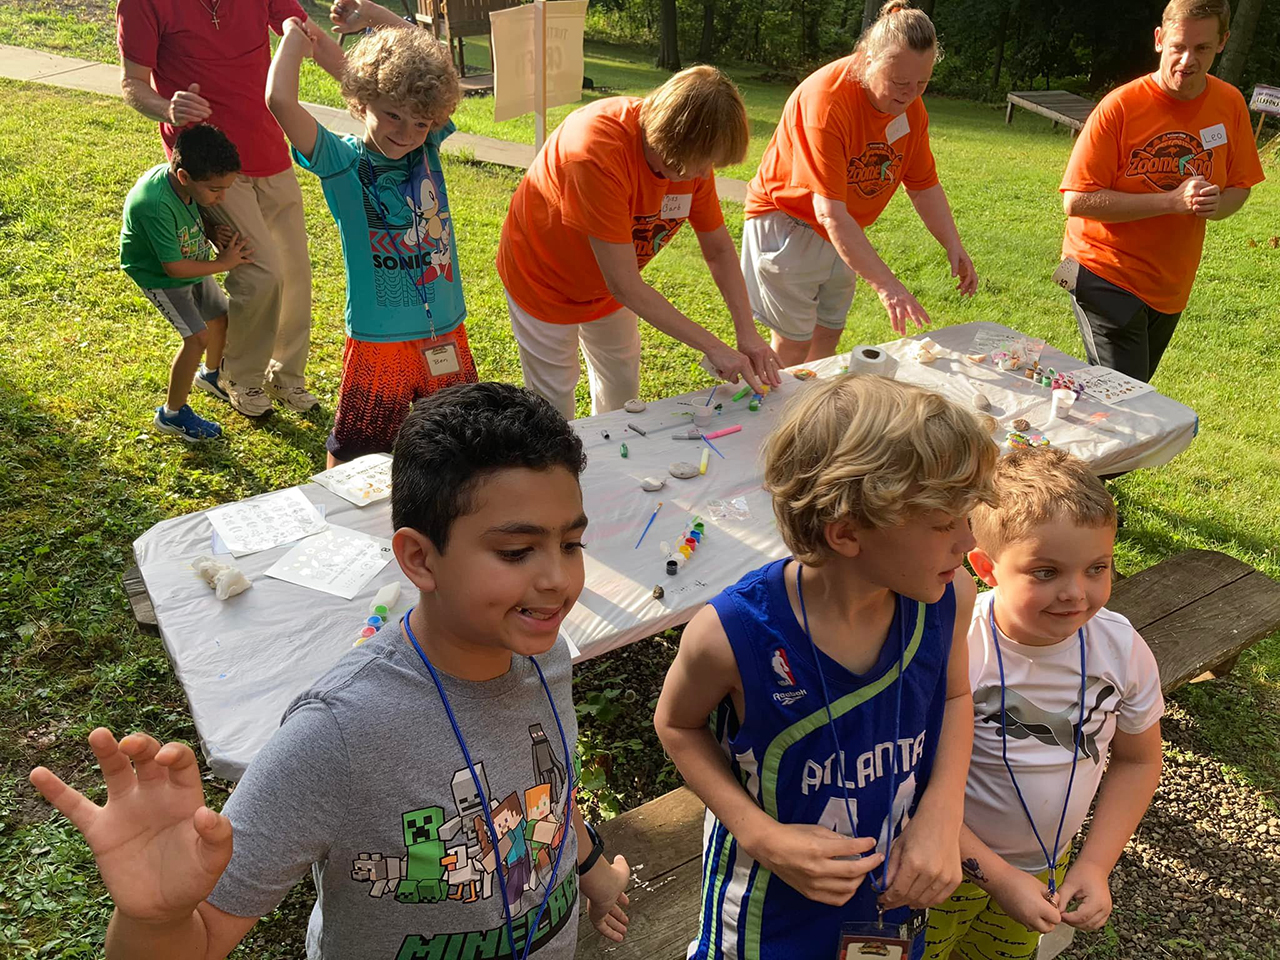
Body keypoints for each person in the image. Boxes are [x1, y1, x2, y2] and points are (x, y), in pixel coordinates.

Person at [28, 382, 632, 959]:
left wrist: (591, 871)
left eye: (571, 544)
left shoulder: (542, 651)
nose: (558, 579)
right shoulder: (336, 737)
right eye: (515, 551)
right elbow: (202, 937)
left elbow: (540, 794)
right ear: (419, 558)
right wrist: (153, 917)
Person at [655, 376, 998, 960]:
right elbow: (677, 726)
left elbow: (954, 697)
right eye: (945, 524)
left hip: (891, 903)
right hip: (768, 916)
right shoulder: (731, 634)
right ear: (846, 533)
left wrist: (943, 811)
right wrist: (762, 836)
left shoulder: (949, 597)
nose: (967, 542)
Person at [924, 448, 1164, 960]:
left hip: (1046, 871)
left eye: (1098, 567)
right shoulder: (954, 644)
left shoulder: (1121, 650)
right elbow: (911, 779)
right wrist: (997, 876)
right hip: (939, 865)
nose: (1076, 593)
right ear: (986, 567)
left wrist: (1096, 864)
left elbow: (1139, 759)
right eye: (1046, 572)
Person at [496, 65, 782, 420]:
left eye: (707, 165)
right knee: (554, 404)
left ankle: (611, 464)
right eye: (694, 166)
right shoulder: (594, 151)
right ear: (668, 140)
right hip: (543, 281)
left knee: (622, 386)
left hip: (608, 287)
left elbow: (719, 249)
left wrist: (748, 335)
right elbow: (626, 286)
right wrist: (713, 347)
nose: (700, 175)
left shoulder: (691, 158)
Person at [267, 9, 474, 467]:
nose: (406, 133)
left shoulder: (428, 146)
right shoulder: (340, 161)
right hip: (380, 340)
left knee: (458, 443)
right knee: (358, 449)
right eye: (393, 116)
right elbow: (280, 100)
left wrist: (372, 16)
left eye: (421, 123)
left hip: (445, 329)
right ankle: (343, 528)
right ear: (361, 103)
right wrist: (293, 41)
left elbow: (428, 64)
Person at [117, 0, 344, 417]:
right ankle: (241, 377)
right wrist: (167, 107)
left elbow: (308, 32)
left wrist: (366, 89)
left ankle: (287, 377)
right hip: (212, 167)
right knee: (261, 272)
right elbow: (132, 83)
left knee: (294, 271)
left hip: (269, 148)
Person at [742, 1, 978, 367]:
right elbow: (829, 213)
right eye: (900, 82)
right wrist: (889, 287)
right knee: (793, 344)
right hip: (790, 222)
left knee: (829, 330)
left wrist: (953, 243)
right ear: (867, 60)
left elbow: (923, 184)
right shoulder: (826, 102)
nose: (910, 94)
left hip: (843, 229)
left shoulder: (910, 108)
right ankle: (775, 417)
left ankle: (813, 408)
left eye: (922, 83)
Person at [1059, 0, 1264, 383]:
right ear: (1159, 40)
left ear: (1223, 43)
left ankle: (1063, 430)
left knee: (1121, 393)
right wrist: (1171, 201)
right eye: (1179, 47)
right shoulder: (1119, 108)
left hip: (1170, 285)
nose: (1188, 60)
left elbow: (1239, 186)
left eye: (1202, 48)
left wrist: (1216, 205)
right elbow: (1076, 200)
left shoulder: (1229, 104)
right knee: (1126, 398)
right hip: (1100, 271)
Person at [120, 123, 254, 441]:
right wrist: (223, 263)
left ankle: (210, 376)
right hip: (162, 276)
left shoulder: (189, 184)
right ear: (184, 177)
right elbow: (174, 268)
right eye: (215, 190)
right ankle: (172, 413)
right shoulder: (153, 204)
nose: (222, 198)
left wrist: (208, 229)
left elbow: (190, 214)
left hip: (192, 262)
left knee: (220, 317)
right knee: (197, 338)